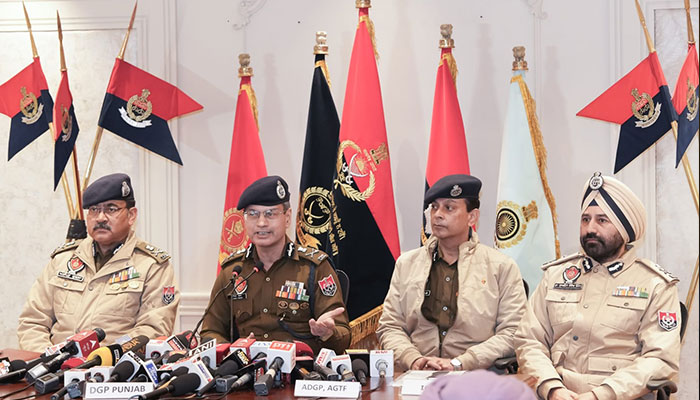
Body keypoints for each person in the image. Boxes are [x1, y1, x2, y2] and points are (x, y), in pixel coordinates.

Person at [515, 172, 681, 400]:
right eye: (585, 219)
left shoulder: (655, 285)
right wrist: (551, 388)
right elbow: (529, 340)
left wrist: (600, 395)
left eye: (602, 220)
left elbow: (660, 359)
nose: (590, 228)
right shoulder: (556, 275)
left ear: (625, 229)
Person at [377, 174, 527, 371]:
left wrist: (461, 362)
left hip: (477, 375)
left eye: (449, 208)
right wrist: (412, 359)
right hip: (417, 374)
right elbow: (390, 326)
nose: (437, 215)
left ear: (472, 217)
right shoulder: (407, 264)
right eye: (434, 207)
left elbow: (513, 332)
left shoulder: (501, 267)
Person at [17, 173, 179, 351]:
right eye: (94, 209)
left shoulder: (152, 265)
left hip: (112, 366)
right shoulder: (63, 260)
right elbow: (33, 321)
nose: (101, 218)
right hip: (55, 364)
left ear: (131, 215)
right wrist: (48, 356)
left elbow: (153, 330)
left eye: (111, 209)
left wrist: (103, 357)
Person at [200, 175, 350, 354]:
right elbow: (210, 331)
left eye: (270, 214)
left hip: (301, 368)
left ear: (287, 218)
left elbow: (344, 337)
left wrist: (328, 333)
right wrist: (233, 352)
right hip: (245, 368)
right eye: (253, 214)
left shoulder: (314, 267)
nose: (261, 223)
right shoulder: (233, 271)